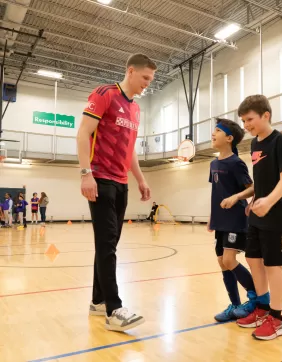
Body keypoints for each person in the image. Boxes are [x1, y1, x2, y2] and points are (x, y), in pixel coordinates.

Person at [77, 53, 156, 332]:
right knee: (107, 244)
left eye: (151, 79)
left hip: (121, 183)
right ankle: (113, 309)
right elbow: (84, 133)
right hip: (100, 179)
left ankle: (98, 300)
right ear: (131, 71)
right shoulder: (104, 94)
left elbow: (130, 149)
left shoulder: (135, 109)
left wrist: (141, 179)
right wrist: (86, 174)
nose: (148, 83)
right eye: (145, 78)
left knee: (108, 244)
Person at [233, 95, 282, 341]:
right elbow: (261, 181)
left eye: (249, 119)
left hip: (278, 214)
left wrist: (269, 201)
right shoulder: (253, 145)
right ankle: (261, 309)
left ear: (265, 115)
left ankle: (278, 319)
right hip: (258, 213)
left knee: (272, 265)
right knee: (252, 259)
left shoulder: (281, 141)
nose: (246, 125)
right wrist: (250, 199)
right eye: (243, 120)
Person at [207, 118, 270, 323]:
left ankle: (254, 299)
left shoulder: (236, 163)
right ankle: (234, 305)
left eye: (217, 130)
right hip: (220, 220)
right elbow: (216, 192)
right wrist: (211, 218)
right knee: (221, 262)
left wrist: (236, 197)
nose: (213, 133)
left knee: (229, 260)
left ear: (229, 138)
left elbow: (252, 187)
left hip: (235, 219)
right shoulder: (213, 163)